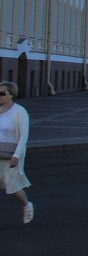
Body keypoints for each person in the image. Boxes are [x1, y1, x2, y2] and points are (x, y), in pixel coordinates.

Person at [0, 81, 34, 225]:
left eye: (2, 93)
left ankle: (27, 205)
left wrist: (16, 155)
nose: (0, 96)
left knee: (12, 187)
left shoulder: (19, 111)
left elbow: (23, 135)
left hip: (12, 154)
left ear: (11, 94)